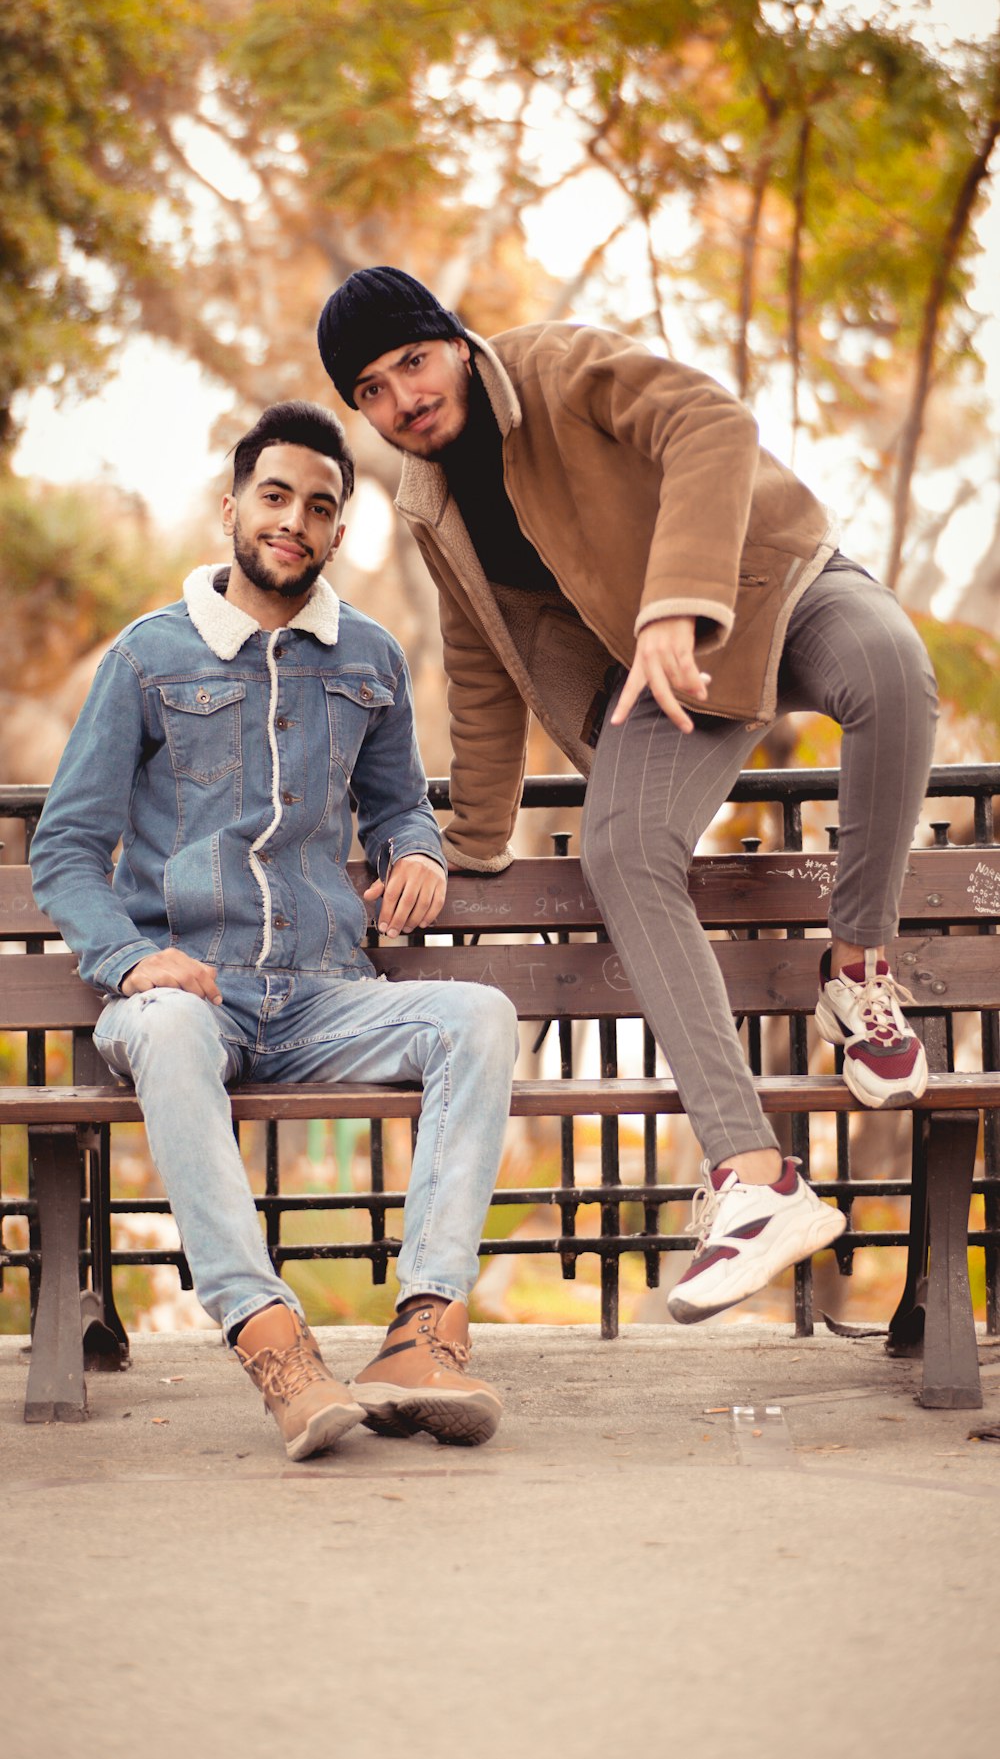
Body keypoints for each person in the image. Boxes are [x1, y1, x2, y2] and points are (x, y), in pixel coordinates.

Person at [315, 267, 939, 1324]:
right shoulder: (431, 504)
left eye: (412, 362)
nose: (402, 399)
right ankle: (755, 1179)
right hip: (660, 673)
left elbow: (711, 424)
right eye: (371, 390)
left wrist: (672, 604)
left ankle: (859, 972)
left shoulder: (559, 364)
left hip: (761, 580)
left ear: (457, 343)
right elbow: (481, 663)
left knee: (889, 669)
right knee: (622, 848)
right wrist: (466, 834)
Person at [30, 400, 518, 1460]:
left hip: (319, 992)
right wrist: (128, 960)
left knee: (477, 1016)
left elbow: (396, 807)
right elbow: (65, 848)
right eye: (275, 495)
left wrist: (421, 851)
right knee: (159, 1028)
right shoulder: (149, 657)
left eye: (320, 505)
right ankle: (272, 1343)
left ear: (341, 530)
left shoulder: (370, 659)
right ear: (233, 508)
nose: (294, 519)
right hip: (185, 998)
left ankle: (423, 1334)